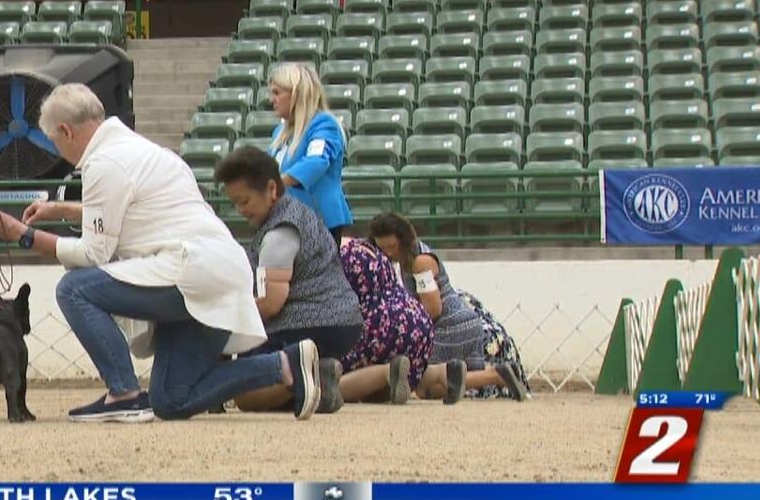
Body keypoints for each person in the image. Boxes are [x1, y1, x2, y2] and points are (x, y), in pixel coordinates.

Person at [0, 84, 328, 423]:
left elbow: (94, 254)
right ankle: (285, 365)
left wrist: (23, 236)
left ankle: (123, 393)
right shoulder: (145, 150)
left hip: (191, 270)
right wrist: (62, 210)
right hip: (218, 269)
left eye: (55, 142)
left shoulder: (103, 163)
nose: (58, 152)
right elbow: (133, 211)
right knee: (171, 399)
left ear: (65, 131)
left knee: (73, 288)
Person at [213, 147, 364, 414]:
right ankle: (314, 381)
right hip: (343, 321)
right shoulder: (297, 213)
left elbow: (271, 302)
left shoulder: (279, 233)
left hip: (309, 322)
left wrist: (229, 328)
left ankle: (307, 380)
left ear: (271, 189)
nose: (240, 210)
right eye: (235, 203)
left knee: (244, 391)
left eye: (245, 201)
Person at [369, 213, 530, 402]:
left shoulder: (420, 263)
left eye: (392, 247)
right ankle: (498, 374)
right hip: (462, 321)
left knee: (422, 380)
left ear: (403, 240)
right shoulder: (413, 257)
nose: (388, 253)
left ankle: (494, 376)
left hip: (450, 326)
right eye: (382, 248)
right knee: (430, 391)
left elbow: (433, 309)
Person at [336, 239, 434, 405]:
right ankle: (441, 374)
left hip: (378, 322)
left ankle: (388, 373)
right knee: (404, 370)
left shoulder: (335, 255)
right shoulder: (367, 247)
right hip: (417, 319)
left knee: (331, 383)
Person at [267, 63, 352, 245]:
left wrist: (278, 183)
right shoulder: (278, 132)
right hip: (286, 219)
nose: (271, 100)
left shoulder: (324, 124)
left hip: (320, 220)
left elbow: (316, 162)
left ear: (296, 93)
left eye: (277, 93)